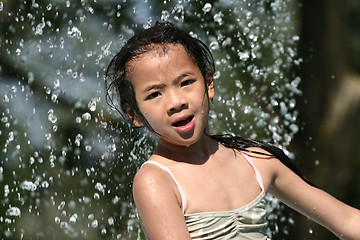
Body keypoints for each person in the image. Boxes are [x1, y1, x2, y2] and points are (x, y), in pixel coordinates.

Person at [105, 21, 360, 239]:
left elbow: (347, 221)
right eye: (154, 94)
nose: (176, 102)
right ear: (133, 114)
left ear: (208, 83)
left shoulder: (255, 161)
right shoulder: (157, 181)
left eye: (185, 82)